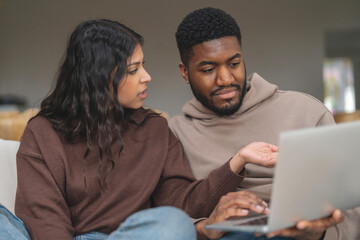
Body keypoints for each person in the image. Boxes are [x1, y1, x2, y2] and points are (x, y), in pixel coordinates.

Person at [0, 19, 282, 240]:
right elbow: (44, 220)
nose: (147, 77)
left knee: (174, 224)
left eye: (142, 65)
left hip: (134, 236)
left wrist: (238, 161)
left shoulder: (154, 128)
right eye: (133, 70)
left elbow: (181, 203)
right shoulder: (42, 132)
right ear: (100, 77)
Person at [170, 7, 359, 240]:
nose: (226, 79)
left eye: (234, 63)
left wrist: (317, 234)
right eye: (208, 69)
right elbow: (170, 215)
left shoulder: (307, 112)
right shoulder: (175, 133)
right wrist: (206, 226)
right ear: (185, 72)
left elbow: (351, 206)